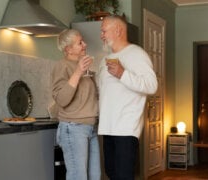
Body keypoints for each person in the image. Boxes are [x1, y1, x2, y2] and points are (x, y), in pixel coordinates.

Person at [98, 15, 158, 180]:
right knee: (111, 173)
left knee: (124, 176)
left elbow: (152, 85)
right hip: (107, 127)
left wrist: (123, 73)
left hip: (125, 128)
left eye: (104, 31)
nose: (101, 35)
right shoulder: (103, 60)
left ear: (118, 30)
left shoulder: (137, 54)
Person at [51, 29, 100, 180]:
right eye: (80, 42)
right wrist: (78, 72)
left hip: (90, 128)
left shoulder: (84, 68)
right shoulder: (62, 66)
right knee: (78, 177)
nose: (85, 44)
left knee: (95, 176)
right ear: (68, 49)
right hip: (73, 128)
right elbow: (61, 99)